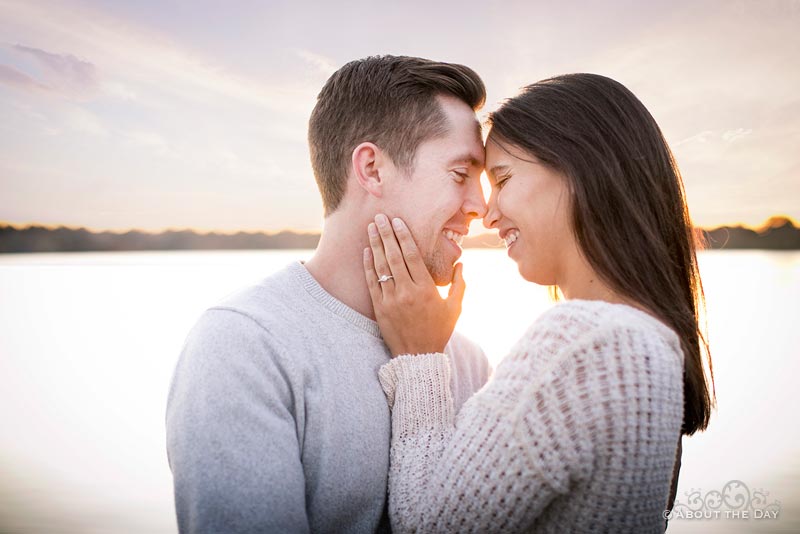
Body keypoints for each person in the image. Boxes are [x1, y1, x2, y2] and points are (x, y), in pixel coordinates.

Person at [363, 73, 715, 533]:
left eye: (503, 179)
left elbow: (425, 526)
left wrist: (420, 359)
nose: (488, 214)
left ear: (583, 171)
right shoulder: (651, 343)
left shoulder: (587, 341)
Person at [165, 55, 492, 533]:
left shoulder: (467, 363)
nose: (481, 207)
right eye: (461, 175)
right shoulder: (244, 347)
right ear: (373, 169)